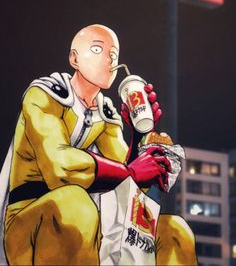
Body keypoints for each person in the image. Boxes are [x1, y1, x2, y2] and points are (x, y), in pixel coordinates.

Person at [3, 24, 197, 265]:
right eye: (97, 50)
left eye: (113, 55)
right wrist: (131, 171)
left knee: (175, 232)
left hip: (90, 225)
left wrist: (138, 135)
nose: (108, 60)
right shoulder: (44, 94)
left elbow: (128, 182)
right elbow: (60, 168)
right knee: (74, 203)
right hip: (29, 221)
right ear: (74, 58)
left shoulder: (106, 113)